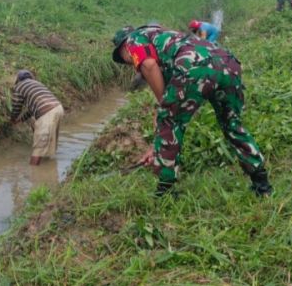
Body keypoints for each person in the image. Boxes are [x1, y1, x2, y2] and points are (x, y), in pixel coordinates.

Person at [111, 23, 272, 198]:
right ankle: (261, 184)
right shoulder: (166, 37)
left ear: (123, 49)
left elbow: (149, 66)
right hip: (227, 63)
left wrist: (164, 106)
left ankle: (165, 192)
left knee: (170, 122)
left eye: (124, 59)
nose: (129, 63)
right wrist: (156, 145)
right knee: (231, 122)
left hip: (194, 67)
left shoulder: (134, 40)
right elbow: (171, 98)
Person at [10, 70, 65, 166]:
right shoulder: (37, 84)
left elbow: (16, 106)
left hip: (46, 113)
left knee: (38, 149)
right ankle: (49, 167)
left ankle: (35, 173)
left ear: (18, 79)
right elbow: (32, 110)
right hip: (58, 108)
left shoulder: (19, 87)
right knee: (50, 143)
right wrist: (20, 120)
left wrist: (13, 119)